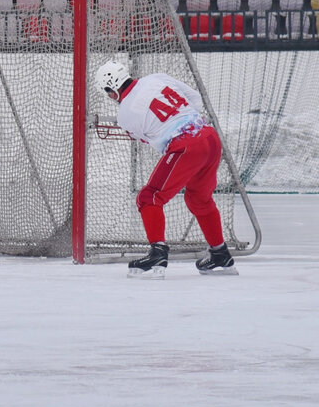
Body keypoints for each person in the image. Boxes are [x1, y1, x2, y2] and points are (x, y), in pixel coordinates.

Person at [95, 60, 237, 278]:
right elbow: (195, 100)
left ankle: (157, 253)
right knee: (199, 199)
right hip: (209, 138)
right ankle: (220, 254)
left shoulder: (125, 115)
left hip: (186, 146)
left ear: (111, 90)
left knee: (148, 197)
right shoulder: (156, 77)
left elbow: (152, 139)